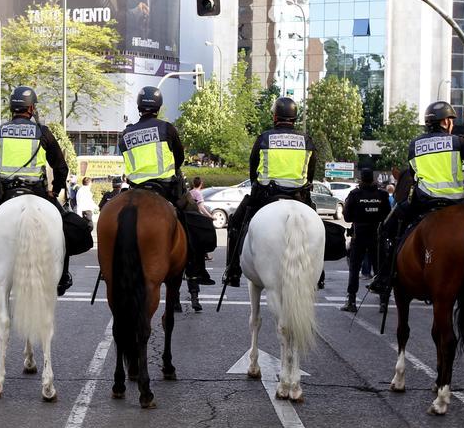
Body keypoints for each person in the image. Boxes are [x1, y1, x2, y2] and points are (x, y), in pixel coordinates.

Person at [367, 101, 464, 300]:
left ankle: (384, 277)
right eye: (451, 120)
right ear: (446, 122)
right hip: (456, 202)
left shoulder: (415, 145)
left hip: (424, 202)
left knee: (385, 230)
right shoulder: (458, 142)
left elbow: (414, 175)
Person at [0, 86, 72, 296]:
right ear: (31, 108)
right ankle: (62, 277)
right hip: (37, 192)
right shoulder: (43, 132)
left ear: (12, 108)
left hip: (3, 194)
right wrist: (55, 190)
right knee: (65, 226)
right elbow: (61, 167)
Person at [118, 86, 214, 302]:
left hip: (136, 189)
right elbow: (178, 157)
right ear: (159, 107)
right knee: (193, 220)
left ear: (139, 106)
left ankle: (107, 270)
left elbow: (126, 157)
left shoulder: (126, 133)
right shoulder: (167, 129)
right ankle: (196, 269)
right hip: (166, 188)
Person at [222, 97, 318, 288]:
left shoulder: (264, 137)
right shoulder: (307, 140)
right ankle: (319, 274)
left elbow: (253, 167)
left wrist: (256, 186)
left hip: (266, 196)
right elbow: (311, 172)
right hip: (299, 196)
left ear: (275, 116)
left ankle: (233, 271)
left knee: (235, 224)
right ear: (294, 117)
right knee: (316, 228)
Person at [341, 168, 391, 312]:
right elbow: (387, 215)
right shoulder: (382, 195)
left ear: (361, 179)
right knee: (380, 269)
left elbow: (347, 217)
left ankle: (351, 301)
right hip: (377, 236)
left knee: (354, 269)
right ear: (373, 179)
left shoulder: (355, 194)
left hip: (359, 236)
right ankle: (383, 302)